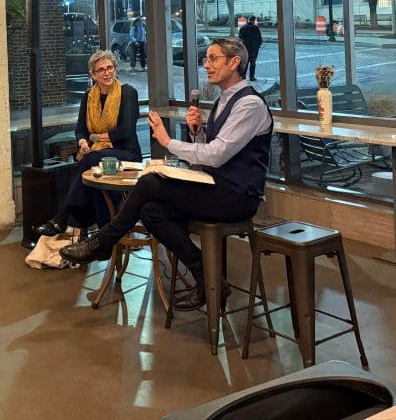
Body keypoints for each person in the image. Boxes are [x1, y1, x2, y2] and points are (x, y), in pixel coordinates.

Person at [61, 37, 272, 311]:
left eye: (213, 58)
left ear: (234, 63)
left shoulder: (249, 104)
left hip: (238, 196)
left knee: (150, 182)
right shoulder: (223, 100)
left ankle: (104, 240)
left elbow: (217, 155)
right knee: (150, 211)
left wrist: (167, 141)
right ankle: (206, 276)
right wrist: (198, 133)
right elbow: (211, 149)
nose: (206, 65)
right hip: (216, 186)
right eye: (206, 59)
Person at [34, 50, 141, 237]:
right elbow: (80, 129)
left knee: (90, 159)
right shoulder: (89, 96)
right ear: (93, 74)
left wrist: (95, 138)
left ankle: (63, 217)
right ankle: (101, 229)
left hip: (126, 152)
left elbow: (126, 131)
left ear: (115, 69)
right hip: (98, 154)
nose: (107, 73)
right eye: (101, 70)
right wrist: (83, 141)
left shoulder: (128, 93)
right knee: (91, 161)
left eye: (110, 68)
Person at [238, 15, 263, 82]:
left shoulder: (243, 27)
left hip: (245, 47)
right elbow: (259, 37)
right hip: (254, 48)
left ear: (248, 20)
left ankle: (243, 76)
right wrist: (259, 44)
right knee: (252, 62)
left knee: (245, 62)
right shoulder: (255, 28)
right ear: (254, 20)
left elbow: (240, 36)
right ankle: (251, 77)